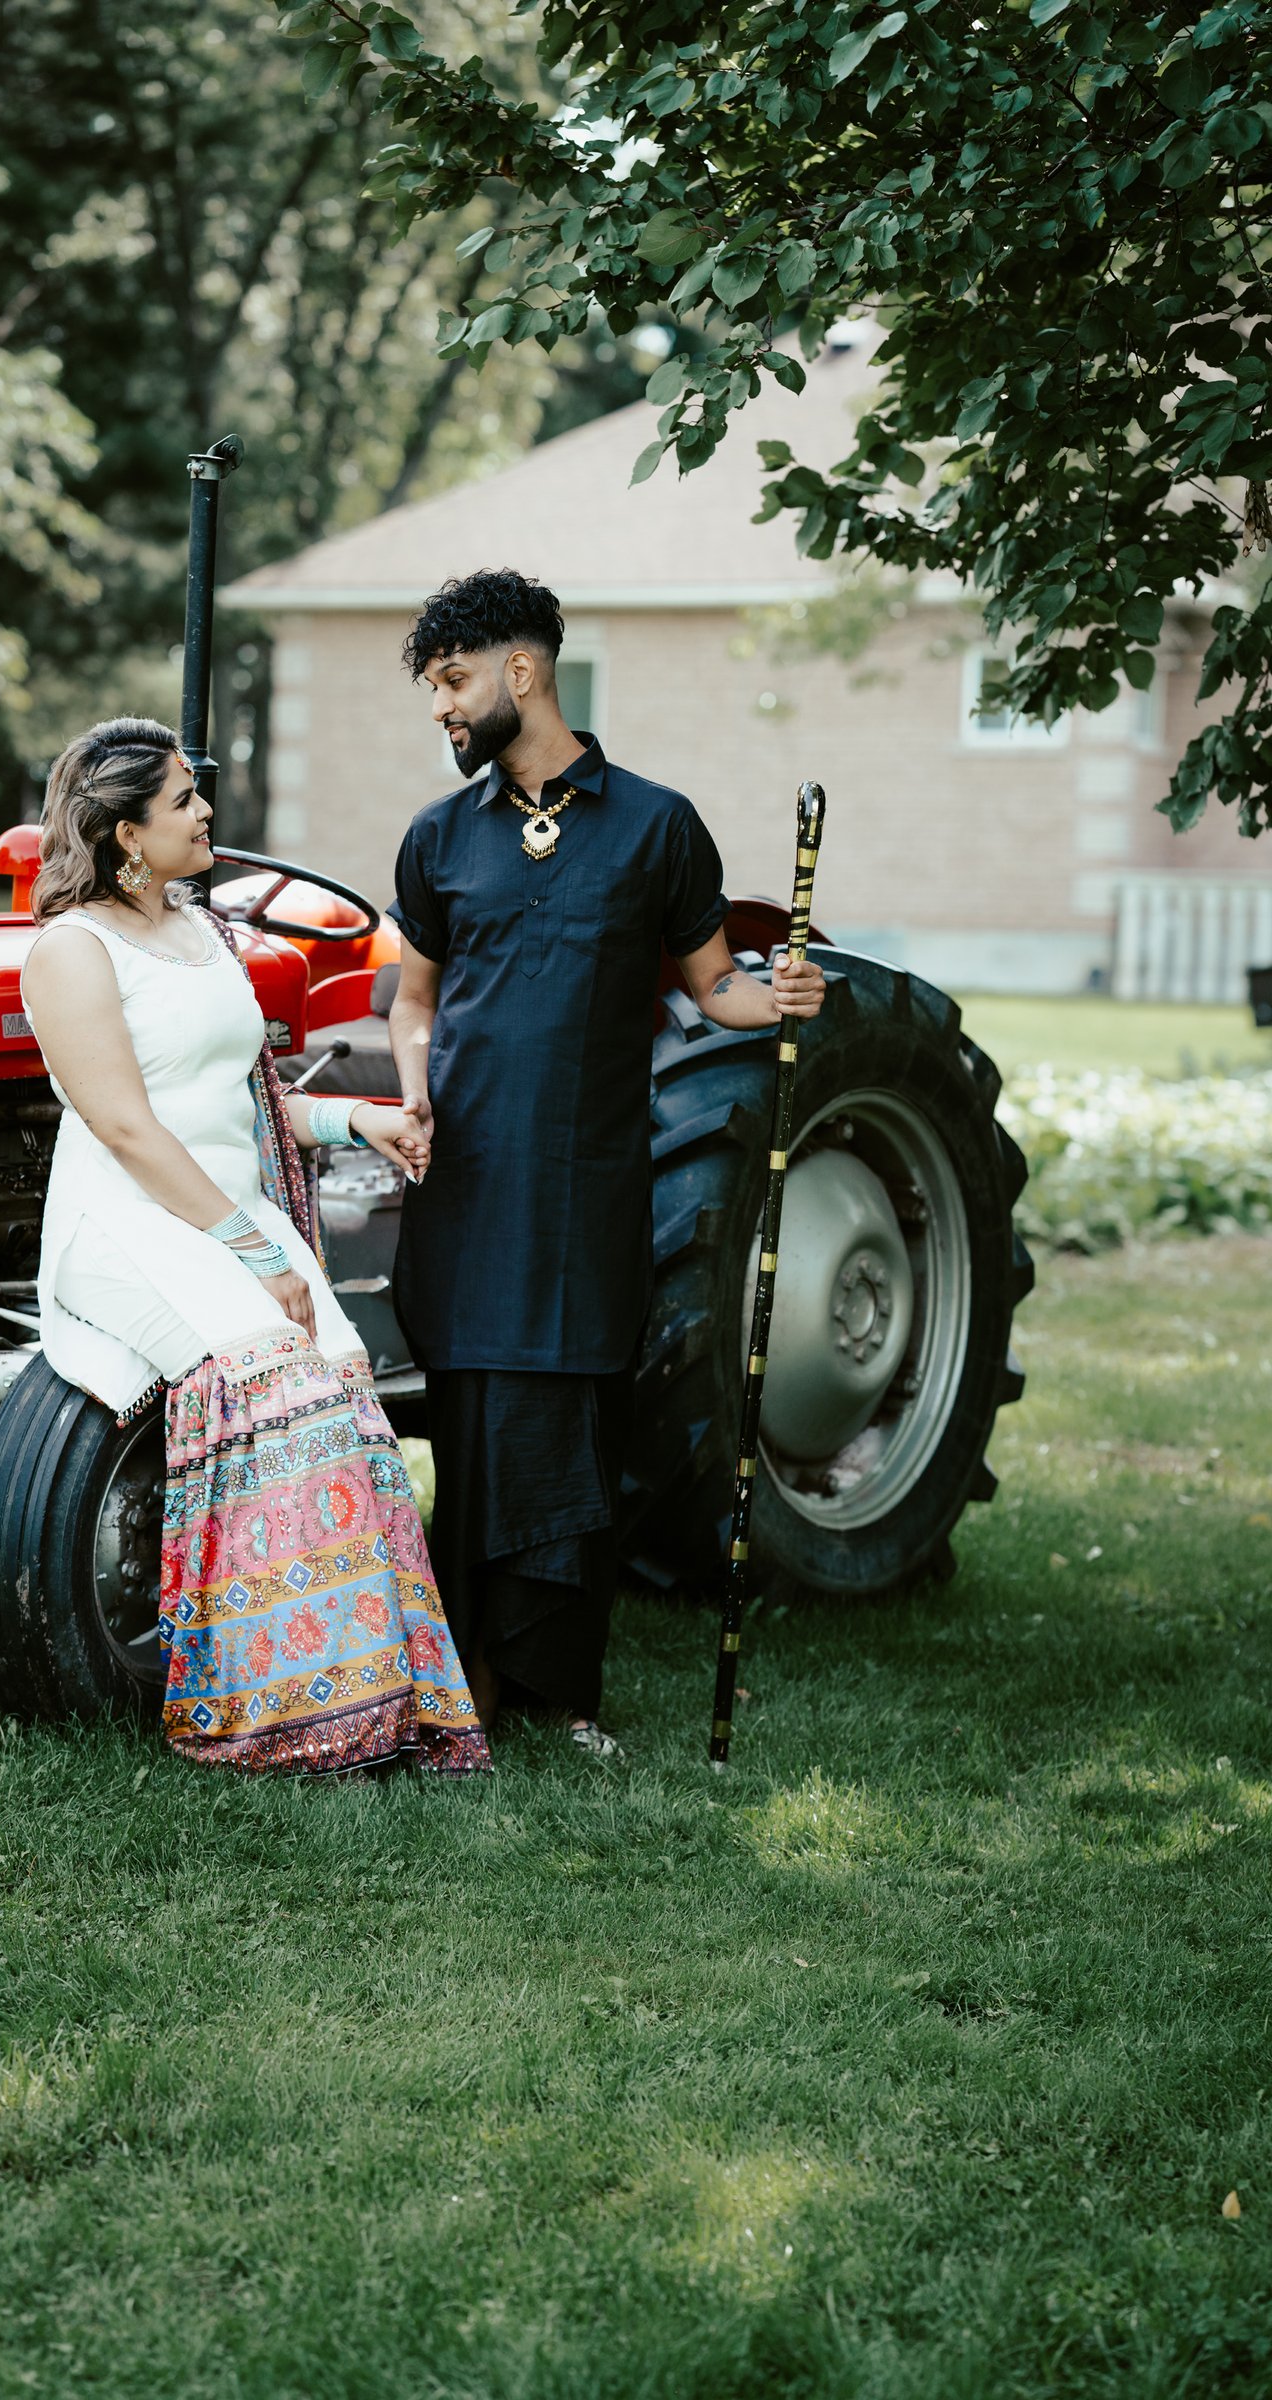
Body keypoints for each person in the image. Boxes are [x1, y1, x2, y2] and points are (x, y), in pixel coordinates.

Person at [387, 572, 826, 1756]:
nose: (442, 707)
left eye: (452, 681)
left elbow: (715, 988)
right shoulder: (437, 837)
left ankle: (564, 1697)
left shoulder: (656, 825)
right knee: (473, 1427)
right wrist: (414, 1086)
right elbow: (413, 1000)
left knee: (575, 1421)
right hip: (468, 1183)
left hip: (588, 1186)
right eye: (433, 687)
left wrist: (779, 995)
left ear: (520, 673)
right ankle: (462, 1685)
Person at [20, 715, 490, 1778]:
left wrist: (354, 1119)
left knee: (346, 1389)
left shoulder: (199, 929)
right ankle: (274, 1714)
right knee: (271, 1384)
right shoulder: (69, 951)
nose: (204, 811)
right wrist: (253, 1251)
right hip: (133, 1224)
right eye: (183, 798)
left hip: (232, 1212)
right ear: (125, 831)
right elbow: (130, 1126)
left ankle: (372, 1706)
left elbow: (243, 1099)